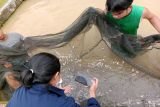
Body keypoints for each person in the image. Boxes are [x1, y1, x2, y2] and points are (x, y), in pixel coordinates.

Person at [6, 52, 101, 107]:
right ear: (56, 76)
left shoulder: (19, 92)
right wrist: (92, 94)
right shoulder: (64, 104)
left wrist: (57, 91)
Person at [0, 29, 28, 100]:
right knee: (8, 76)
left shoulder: (15, 35)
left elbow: (27, 46)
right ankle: (25, 96)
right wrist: (6, 64)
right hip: (14, 68)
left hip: (27, 60)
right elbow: (2, 61)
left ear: (1, 29)